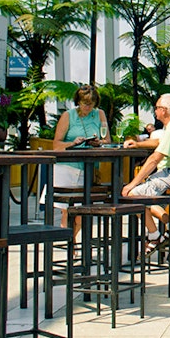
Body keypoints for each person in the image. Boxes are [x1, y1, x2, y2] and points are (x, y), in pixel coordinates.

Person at [123, 93, 170, 256]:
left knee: (134, 194)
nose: (155, 111)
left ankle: (156, 235)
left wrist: (132, 183)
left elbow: (154, 159)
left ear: (164, 110)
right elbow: (159, 142)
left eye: (156, 108)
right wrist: (138, 144)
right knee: (141, 195)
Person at [50, 84, 111, 233]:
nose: (88, 107)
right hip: (68, 167)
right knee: (67, 210)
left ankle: (71, 240)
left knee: (82, 212)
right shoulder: (68, 116)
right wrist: (73, 143)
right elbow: (56, 145)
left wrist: (98, 143)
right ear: (79, 101)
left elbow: (107, 140)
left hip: (88, 168)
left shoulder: (99, 114)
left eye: (91, 104)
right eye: (85, 103)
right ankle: (69, 242)